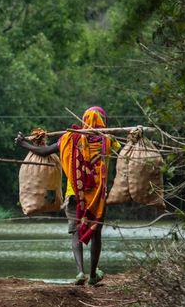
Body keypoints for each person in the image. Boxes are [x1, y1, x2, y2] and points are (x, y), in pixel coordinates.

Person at [15, 107, 120, 286]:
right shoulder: (108, 141)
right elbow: (121, 148)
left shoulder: (69, 138)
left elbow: (45, 151)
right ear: (103, 122)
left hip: (74, 195)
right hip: (97, 199)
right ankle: (93, 275)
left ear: (83, 120)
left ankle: (80, 272)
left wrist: (24, 144)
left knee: (75, 233)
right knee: (96, 235)